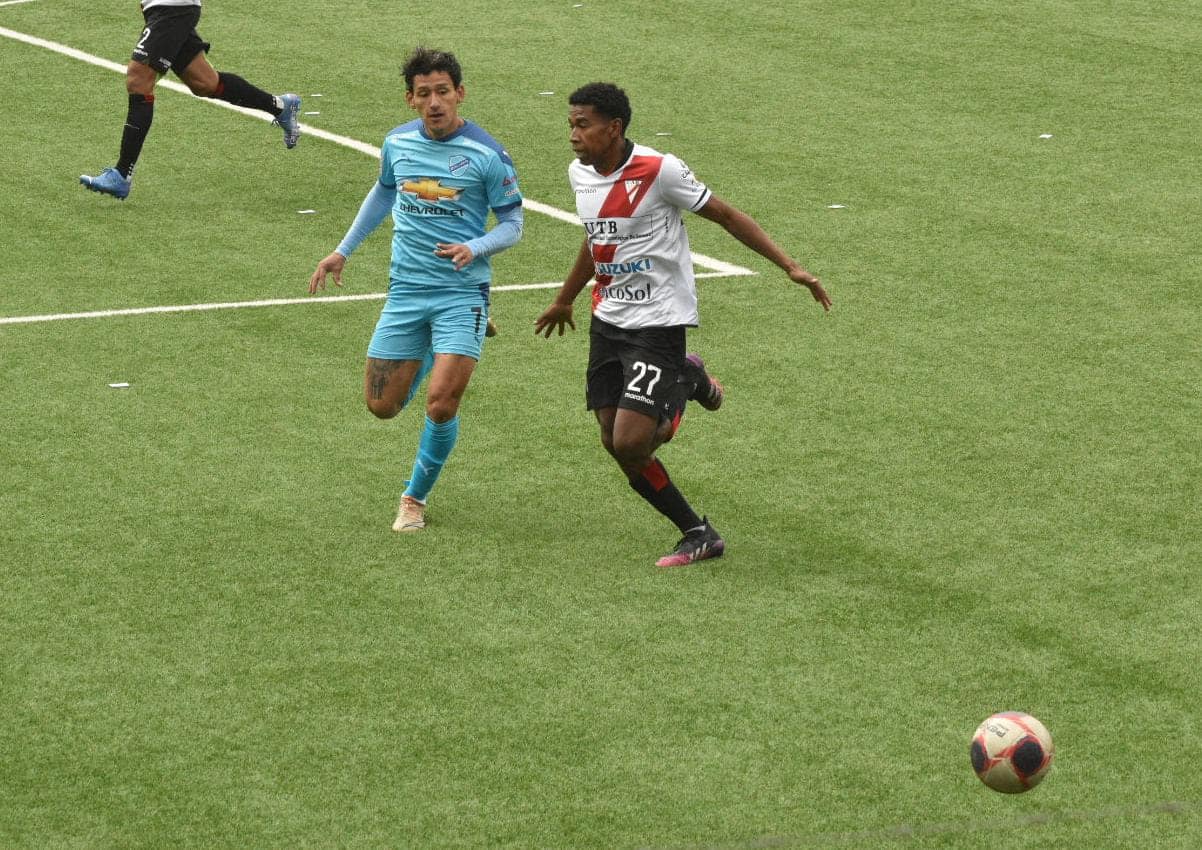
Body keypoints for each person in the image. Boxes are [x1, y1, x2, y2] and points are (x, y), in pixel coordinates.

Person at [534, 82, 831, 568]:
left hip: (659, 320)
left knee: (632, 440)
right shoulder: (579, 173)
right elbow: (596, 239)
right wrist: (564, 299)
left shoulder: (659, 170)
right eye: (570, 124)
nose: (573, 135)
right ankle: (698, 532)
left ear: (614, 128)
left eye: (582, 125)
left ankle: (685, 382)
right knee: (613, 441)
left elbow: (726, 215)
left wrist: (790, 266)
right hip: (607, 318)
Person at [309, 47, 523, 532]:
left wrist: (475, 247)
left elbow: (513, 223)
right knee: (382, 406)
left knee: (441, 402)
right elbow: (384, 190)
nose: (434, 102)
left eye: (443, 92)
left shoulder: (487, 154)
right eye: (424, 94)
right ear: (410, 99)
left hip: (462, 292)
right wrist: (342, 250)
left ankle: (414, 499)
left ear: (460, 93)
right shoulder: (397, 143)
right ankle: (439, 346)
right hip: (406, 291)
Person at [80, 0, 301, 200]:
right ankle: (280, 106)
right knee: (205, 83)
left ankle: (121, 174)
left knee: (139, 80)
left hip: (172, 7)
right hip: (165, 8)